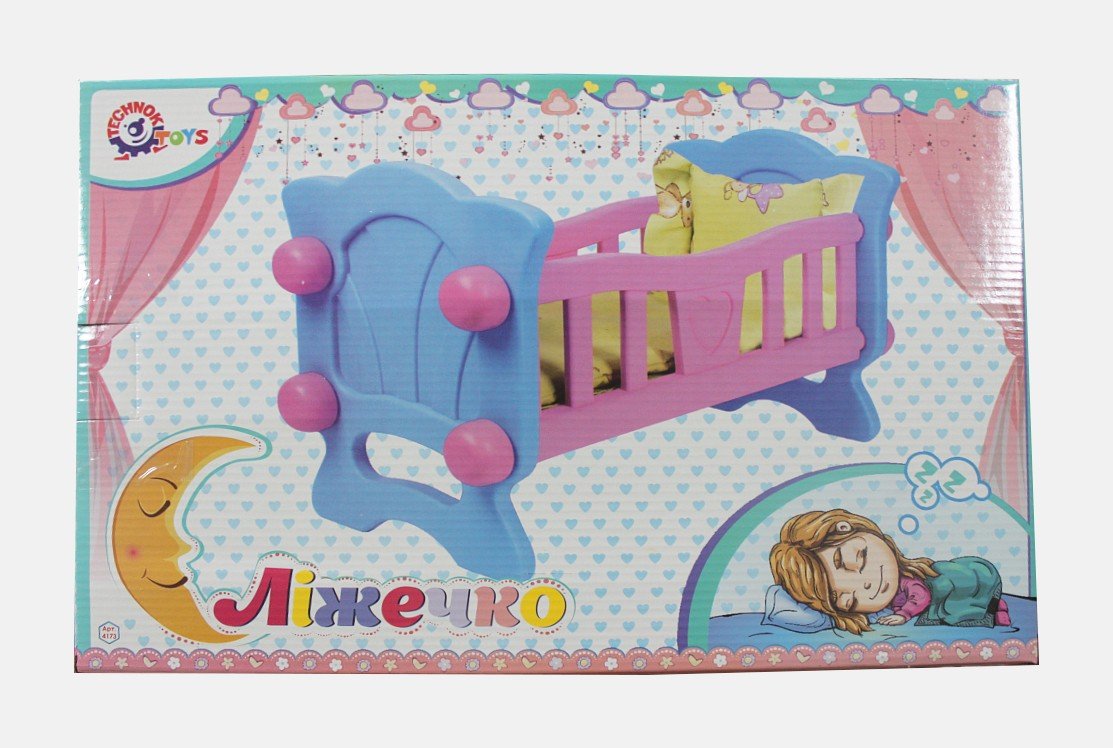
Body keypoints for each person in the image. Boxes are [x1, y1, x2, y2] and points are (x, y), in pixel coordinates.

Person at [769, 508, 1010, 635]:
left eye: (858, 559)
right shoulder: (875, 611)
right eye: (849, 599)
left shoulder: (908, 581)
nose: (867, 584)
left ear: (846, 528)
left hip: (961, 580)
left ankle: (993, 609)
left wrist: (904, 615)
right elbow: (804, 617)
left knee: (958, 597)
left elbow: (922, 596)